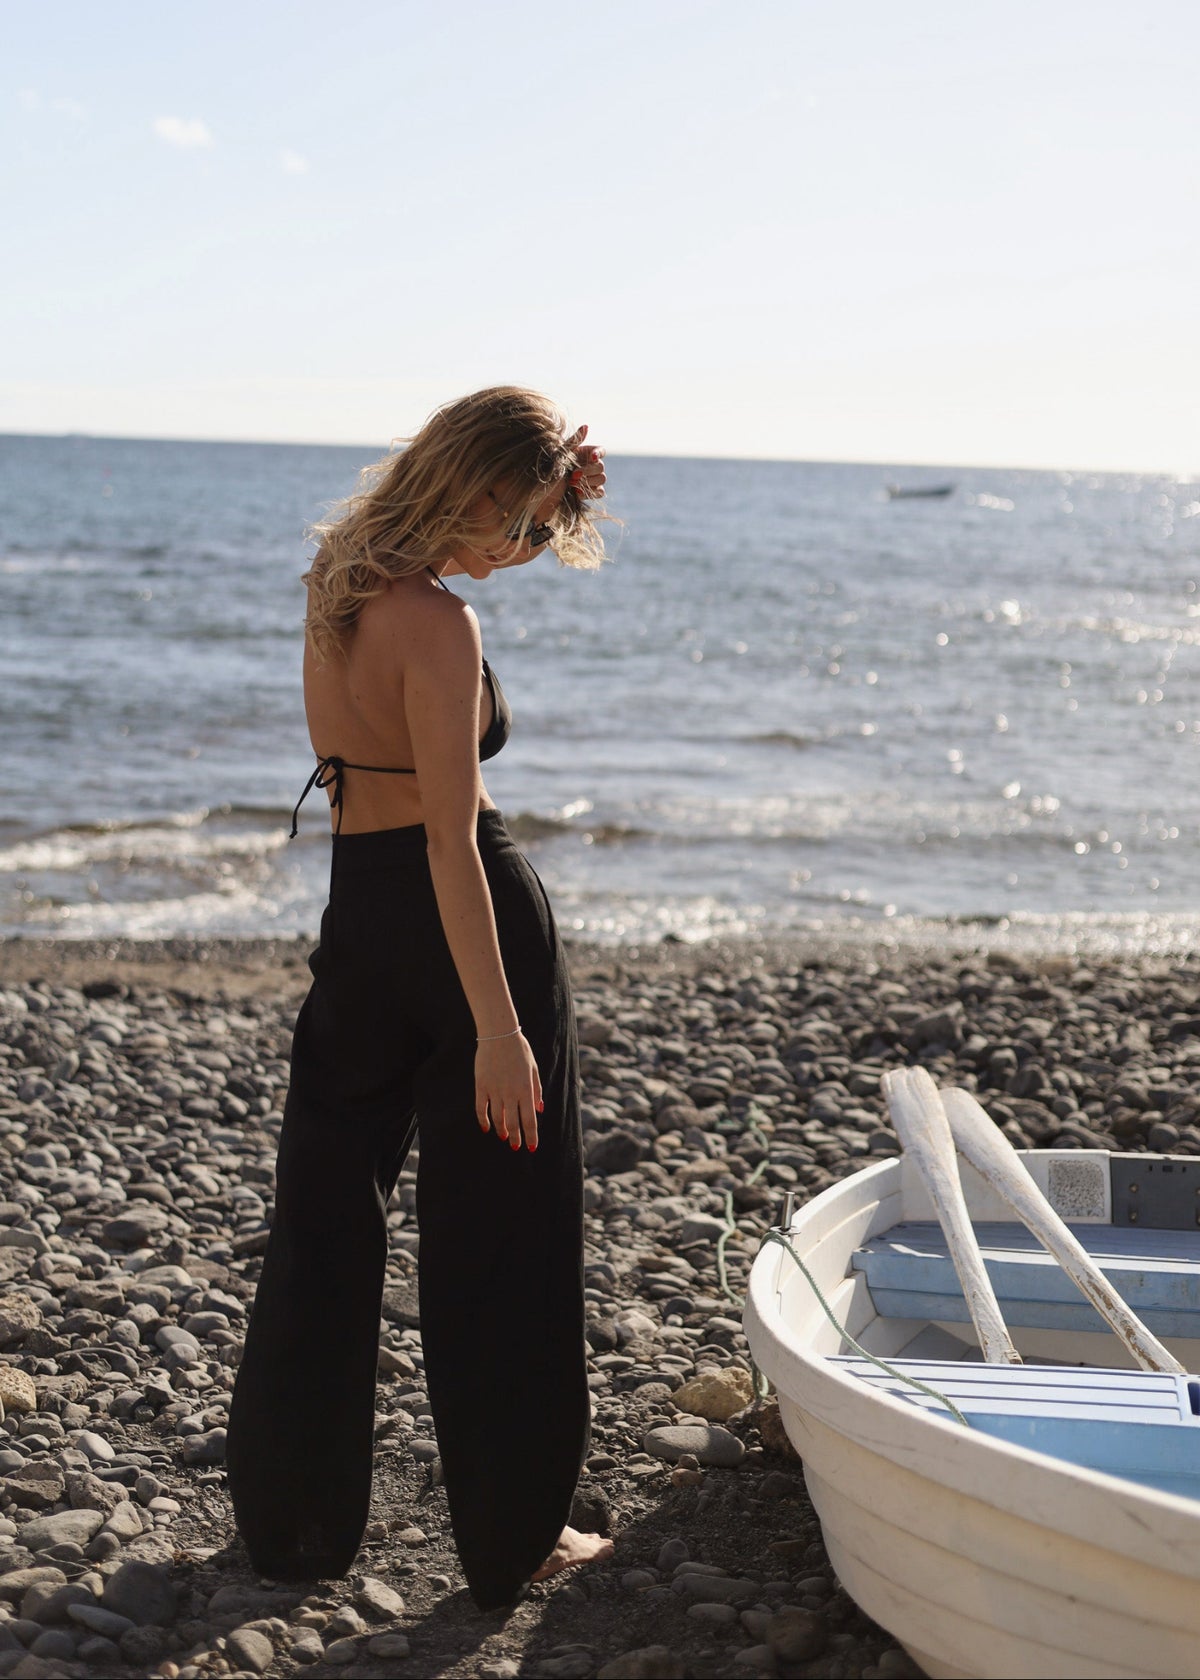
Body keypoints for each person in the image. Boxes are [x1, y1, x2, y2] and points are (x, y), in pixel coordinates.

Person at [226, 387, 613, 1611]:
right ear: (475, 492)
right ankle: (516, 1539)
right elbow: (452, 840)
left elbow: (371, 804)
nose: (530, 551)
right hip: (469, 929)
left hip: (361, 923)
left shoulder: (335, 581)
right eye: (529, 524)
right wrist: (499, 1029)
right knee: (502, 1230)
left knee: (325, 1218)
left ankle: (291, 1526)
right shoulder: (440, 626)